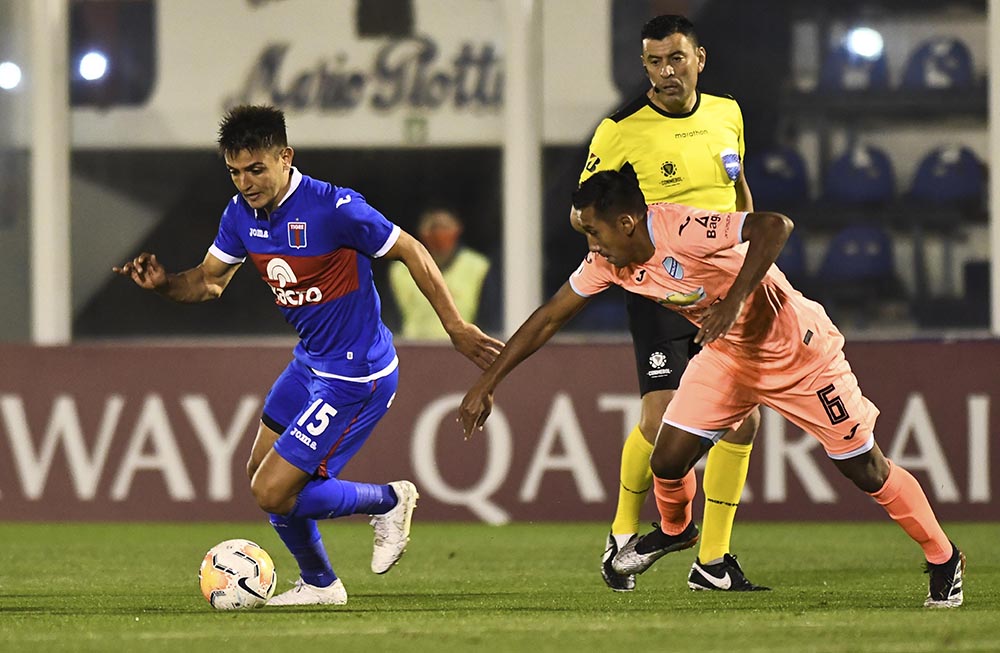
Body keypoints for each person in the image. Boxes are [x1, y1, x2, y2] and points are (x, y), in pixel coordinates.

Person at [460, 170, 965, 609]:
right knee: (667, 460)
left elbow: (774, 225)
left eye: (594, 231)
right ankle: (678, 533)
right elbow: (550, 316)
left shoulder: (682, 227)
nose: (592, 244)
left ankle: (945, 559)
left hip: (799, 355)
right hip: (728, 358)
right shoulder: (608, 263)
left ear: (628, 223)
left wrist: (733, 301)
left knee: (865, 468)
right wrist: (487, 381)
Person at [113, 104, 503, 606]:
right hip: (311, 363)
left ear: (285, 157)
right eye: (234, 172)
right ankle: (321, 584)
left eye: (256, 169)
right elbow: (208, 283)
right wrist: (165, 284)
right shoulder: (239, 215)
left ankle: (389, 500)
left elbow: (411, 249)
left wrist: (455, 326)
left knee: (273, 492)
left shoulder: (334, 208)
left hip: (356, 373)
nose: (245, 182)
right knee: (259, 475)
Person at [579, 14, 763, 592]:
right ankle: (622, 532)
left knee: (743, 419)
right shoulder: (621, 129)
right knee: (661, 420)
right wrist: (614, 248)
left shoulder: (727, 113)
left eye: (676, 59)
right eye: (654, 62)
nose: (665, 72)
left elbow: (738, 195)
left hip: (722, 290)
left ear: (699, 58)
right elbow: (581, 211)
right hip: (659, 285)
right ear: (644, 65)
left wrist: (751, 263)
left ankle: (712, 560)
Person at [388, 207, 492, 340]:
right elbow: (389, 318)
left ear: (458, 229)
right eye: (433, 227)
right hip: (412, 349)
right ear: (421, 231)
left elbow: (490, 318)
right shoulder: (400, 270)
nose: (438, 233)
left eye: (444, 227)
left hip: (463, 350)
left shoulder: (478, 267)